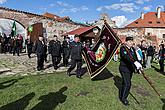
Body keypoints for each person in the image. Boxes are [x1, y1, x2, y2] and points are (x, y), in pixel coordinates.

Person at [119, 36, 142, 106]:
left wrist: (138, 67)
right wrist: (135, 62)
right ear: (126, 42)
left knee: (124, 83)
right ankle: (124, 99)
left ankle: (121, 95)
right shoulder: (123, 48)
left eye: (132, 41)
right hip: (124, 68)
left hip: (130, 69)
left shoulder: (132, 49)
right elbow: (126, 57)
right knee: (127, 84)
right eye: (129, 41)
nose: (131, 42)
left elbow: (135, 58)